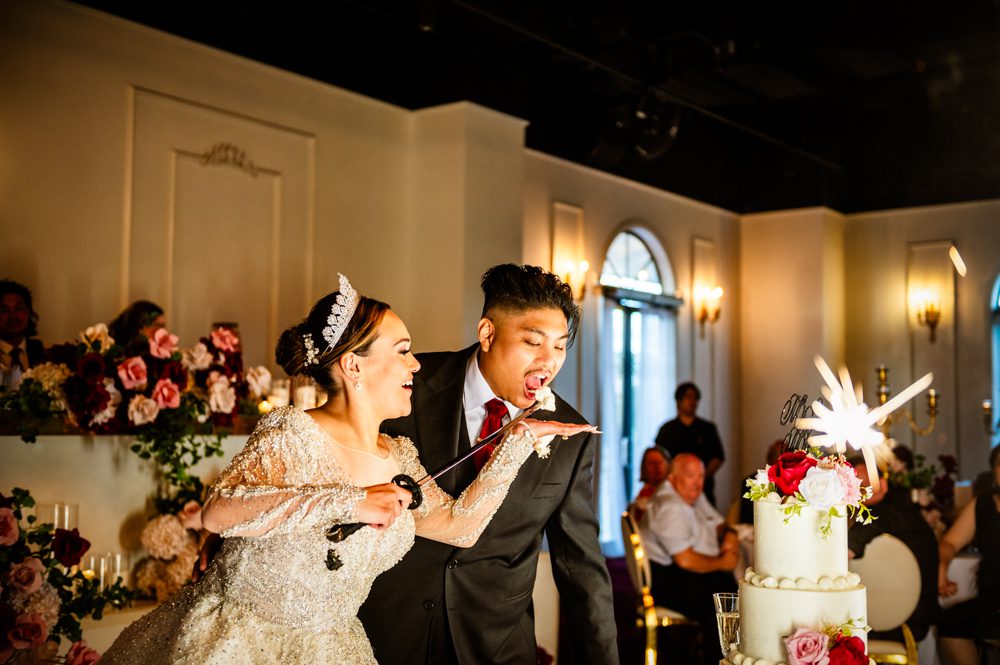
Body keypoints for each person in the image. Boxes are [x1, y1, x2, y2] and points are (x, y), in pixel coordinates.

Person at [100, 275, 594, 664]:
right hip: (242, 643)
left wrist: (517, 443)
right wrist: (351, 501)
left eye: (560, 345)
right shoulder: (292, 431)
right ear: (354, 366)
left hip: (336, 647)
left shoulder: (399, 454)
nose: (416, 366)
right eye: (403, 352)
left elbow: (458, 527)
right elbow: (219, 512)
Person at [359, 264, 618, 665]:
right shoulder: (408, 385)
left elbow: (580, 565)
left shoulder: (571, 435)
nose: (548, 361)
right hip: (389, 635)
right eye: (533, 342)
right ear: (487, 333)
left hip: (496, 646)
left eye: (560, 346)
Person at [639, 452, 738, 665]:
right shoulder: (670, 505)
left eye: (701, 476)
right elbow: (685, 560)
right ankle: (719, 657)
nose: (698, 482)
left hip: (680, 570)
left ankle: (723, 651)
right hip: (665, 581)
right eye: (690, 475)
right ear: (672, 478)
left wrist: (730, 533)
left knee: (731, 589)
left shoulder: (692, 493)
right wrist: (724, 562)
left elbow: (718, 522)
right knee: (723, 601)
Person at [846, 458, 939, 643]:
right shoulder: (903, 507)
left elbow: (846, 551)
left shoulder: (890, 511)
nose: (857, 494)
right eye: (851, 488)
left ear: (883, 484)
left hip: (904, 622)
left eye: (863, 487)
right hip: (904, 617)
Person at [937, 444, 1000, 665]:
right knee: (950, 624)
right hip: (990, 600)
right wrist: (942, 565)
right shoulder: (982, 504)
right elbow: (950, 543)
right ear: (994, 471)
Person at [654, 382, 725, 505]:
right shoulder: (666, 430)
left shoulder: (707, 428)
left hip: (703, 490)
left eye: (695, 398)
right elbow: (660, 457)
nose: (693, 401)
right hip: (673, 490)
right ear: (678, 401)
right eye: (688, 397)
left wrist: (700, 476)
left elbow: (718, 456)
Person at [0, 279, 44, 390]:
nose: (13, 316)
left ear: (28, 312)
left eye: (19, 309)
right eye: (4, 310)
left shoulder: (41, 351)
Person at [630, 446, 670, 521]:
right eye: (652, 463)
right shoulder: (643, 497)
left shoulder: (678, 490)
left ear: (668, 464)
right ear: (644, 468)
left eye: (660, 462)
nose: (657, 466)